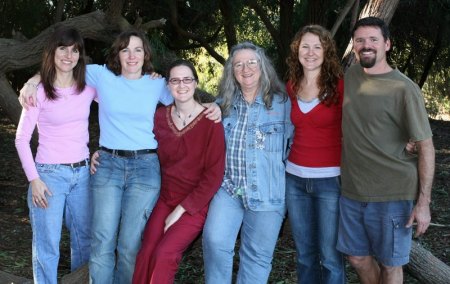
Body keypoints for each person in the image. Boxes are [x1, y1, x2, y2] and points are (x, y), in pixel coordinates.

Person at [19, 30, 222, 284]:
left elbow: (186, 100)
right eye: (125, 49)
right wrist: (33, 80)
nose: (131, 55)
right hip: (108, 166)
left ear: (146, 54)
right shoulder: (101, 76)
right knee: (102, 240)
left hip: (145, 169)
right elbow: (64, 67)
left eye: (138, 49)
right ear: (117, 54)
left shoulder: (157, 83)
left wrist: (212, 106)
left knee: (129, 245)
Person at [337, 17, 435, 284]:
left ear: (387, 44)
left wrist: (423, 203)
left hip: (393, 192)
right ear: (354, 46)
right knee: (357, 257)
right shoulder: (351, 75)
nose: (366, 45)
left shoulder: (404, 88)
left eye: (373, 40)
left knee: (391, 264)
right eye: (360, 40)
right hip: (352, 191)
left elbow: (426, 146)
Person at [202, 41, 292, 283]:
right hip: (229, 190)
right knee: (215, 242)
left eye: (251, 62)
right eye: (238, 64)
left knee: (257, 258)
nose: (246, 68)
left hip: (268, 193)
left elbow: (295, 146)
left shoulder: (283, 104)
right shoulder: (223, 105)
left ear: (262, 66)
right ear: (232, 71)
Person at [128, 59, 225, 283]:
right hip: (165, 198)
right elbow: (133, 139)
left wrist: (181, 210)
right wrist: (100, 154)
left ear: (195, 82)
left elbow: (214, 175)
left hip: (195, 204)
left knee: (165, 254)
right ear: (168, 85)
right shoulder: (159, 117)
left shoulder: (211, 121)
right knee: (146, 253)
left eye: (187, 79)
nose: (181, 85)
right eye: (175, 80)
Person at [15, 27, 96, 284]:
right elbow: (21, 139)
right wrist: (34, 179)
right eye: (62, 48)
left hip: (83, 174)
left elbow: (118, 108)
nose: (68, 55)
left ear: (80, 55)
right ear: (52, 51)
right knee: (47, 245)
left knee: (84, 240)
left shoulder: (89, 88)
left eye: (74, 50)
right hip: (48, 177)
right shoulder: (38, 92)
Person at [285, 25, 345, 283]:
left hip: (330, 181)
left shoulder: (341, 87)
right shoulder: (291, 85)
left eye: (317, 47)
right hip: (294, 179)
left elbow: (365, 119)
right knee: (304, 255)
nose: (310, 52)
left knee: (330, 256)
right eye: (305, 46)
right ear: (297, 50)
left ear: (326, 51)